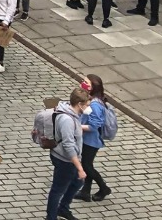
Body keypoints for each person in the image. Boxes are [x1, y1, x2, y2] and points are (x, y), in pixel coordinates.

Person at [45, 88, 91, 220]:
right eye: (87, 105)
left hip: (67, 159)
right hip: (65, 160)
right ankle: (51, 217)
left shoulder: (71, 114)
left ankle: (63, 209)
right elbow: (68, 145)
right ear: (79, 104)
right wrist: (79, 167)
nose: (88, 108)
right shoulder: (67, 120)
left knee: (78, 182)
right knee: (57, 190)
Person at [76, 74, 112, 202]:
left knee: (87, 166)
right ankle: (85, 192)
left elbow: (94, 125)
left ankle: (104, 188)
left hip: (91, 141)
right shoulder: (90, 99)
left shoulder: (95, 104)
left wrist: (78, 127)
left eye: (86, 82)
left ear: (93, 87)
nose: (83, 83)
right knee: (87, 164)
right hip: (87, 139)